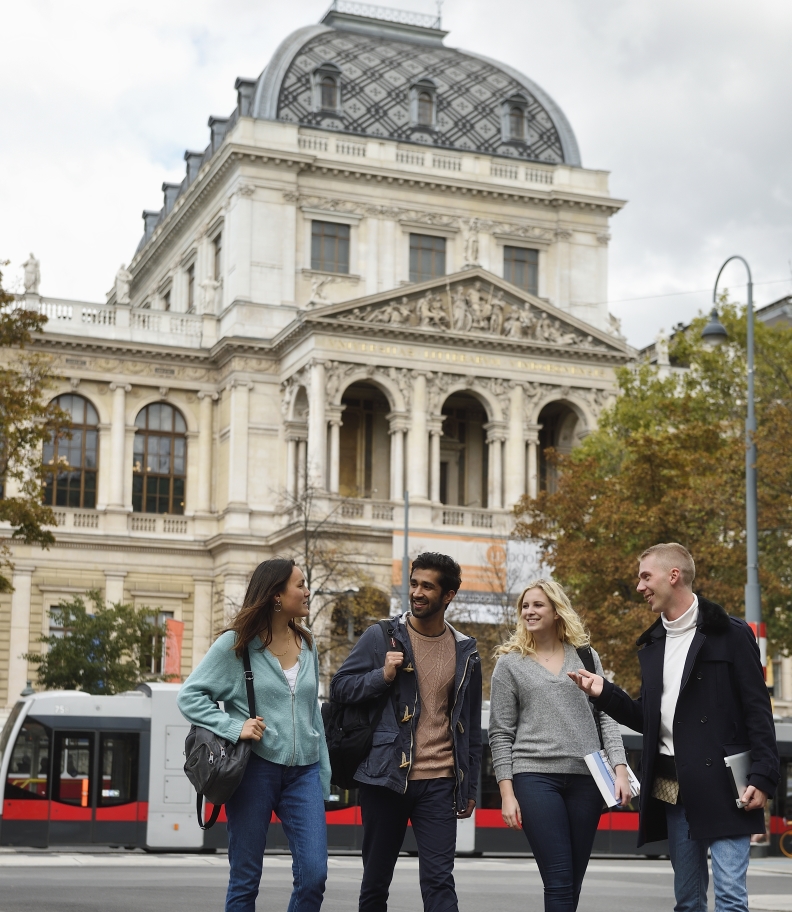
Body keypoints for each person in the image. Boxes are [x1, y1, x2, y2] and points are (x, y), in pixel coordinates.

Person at [569, 543, 780, 912]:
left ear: (673, 575)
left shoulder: (730, 633)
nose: (639, 587)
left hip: (728, 786)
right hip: (672, 787)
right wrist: (605, 693)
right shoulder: (653, 644)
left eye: (645, 576)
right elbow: (647, 719)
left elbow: (758, 710)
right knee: (687, 901)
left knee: (731, 899)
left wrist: (763, 777)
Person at [330, 552, 482, 912]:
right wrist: (381, 676)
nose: (417, 592)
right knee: (376, 883)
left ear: (449, 595)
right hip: (385, 778)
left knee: (440, 882)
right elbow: (339, 687)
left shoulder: (466, 652)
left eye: (427, 586)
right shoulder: (380, 636)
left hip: (440, 780)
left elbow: (471, 726)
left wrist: (470, 785)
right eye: (414, 583)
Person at [178, 558, 330, 912]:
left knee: (314, 876)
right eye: (301, 585)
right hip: (253, 771)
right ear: (277, 595)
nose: (308, 592)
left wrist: (323, 776)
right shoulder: (237, 644)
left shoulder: (307, 644)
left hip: (304, 772)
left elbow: (313, 715)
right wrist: (234, 727)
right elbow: (189, 696)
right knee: (245, 879)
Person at [489, 578, 631, 912]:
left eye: (537, 605)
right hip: (535, 776)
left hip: (587, 778)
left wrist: (620, 770)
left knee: (573, 880)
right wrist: (507, 794)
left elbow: (606, 716)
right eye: (525, 606)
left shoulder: (585, 656)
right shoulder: (510, 663)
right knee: (558, 879)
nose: (529, 611)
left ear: (556, 610)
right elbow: (500, 733)